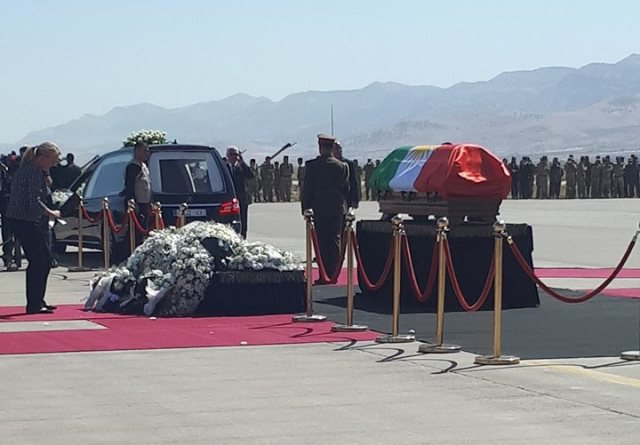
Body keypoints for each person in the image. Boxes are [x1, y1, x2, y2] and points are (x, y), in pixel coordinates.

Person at [5, 142, 61, 314]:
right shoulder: (33, 172)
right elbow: (34, 201)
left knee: (44, 259)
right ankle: (34, 303)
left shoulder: (33, 171)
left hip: (27, 220)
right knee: (38, 260)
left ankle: (38, 300)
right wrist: (51, 212)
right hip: (25, 221)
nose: (55, 164)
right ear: (42, 158)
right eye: (53, 160)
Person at [302, 134, 348, 282]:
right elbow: (345, 189)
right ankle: (334, 273)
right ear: (332, 148)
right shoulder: (342, 166)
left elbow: (307, 189)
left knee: (321, 241)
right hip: (336, 207)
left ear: (320, 147)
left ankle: (324, 275)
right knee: (335, 240)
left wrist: (305, 208)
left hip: (319, 207)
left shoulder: (312, 166)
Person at [226, 146, 253, 239]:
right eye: (231, 154)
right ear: (227, 156)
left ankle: (243, 238)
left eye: (235, 154)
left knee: (243, 221)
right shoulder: (224, 167)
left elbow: (251, 175)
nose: (233, 157)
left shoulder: (242, 167)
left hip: (242, 199)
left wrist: (242, 162)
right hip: (229, 200)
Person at [333, 141, 359, 210]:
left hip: (346, 198)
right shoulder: (328, 164)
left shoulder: (348, 163)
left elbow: (353, 182)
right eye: (336, 149)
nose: (339, 151)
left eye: (340, 148)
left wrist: (355, 200)